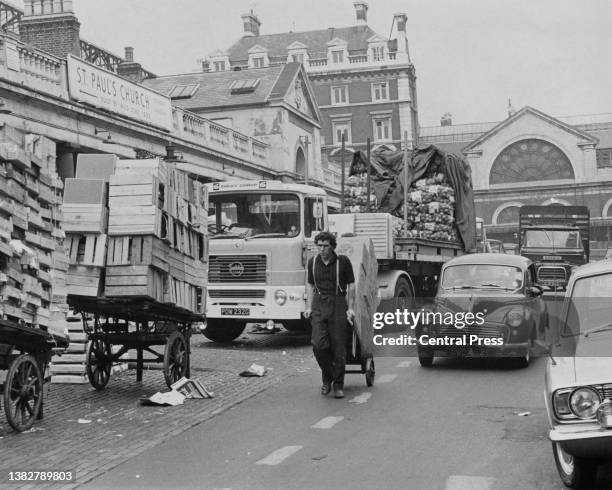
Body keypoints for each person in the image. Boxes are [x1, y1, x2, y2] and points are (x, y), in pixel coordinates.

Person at [304, 231, 355, 399]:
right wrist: (308, 307)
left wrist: (350, 308)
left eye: (325, 246)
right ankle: (327, 376)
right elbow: (310, 285)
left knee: (339, 347)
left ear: (332, 247)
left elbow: (351, 285)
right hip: (319, 304)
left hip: (338, 303)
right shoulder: (312, 262)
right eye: (319, 245)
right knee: (318, 344)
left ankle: (338, 385)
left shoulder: (343, 262)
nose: (322, 249)